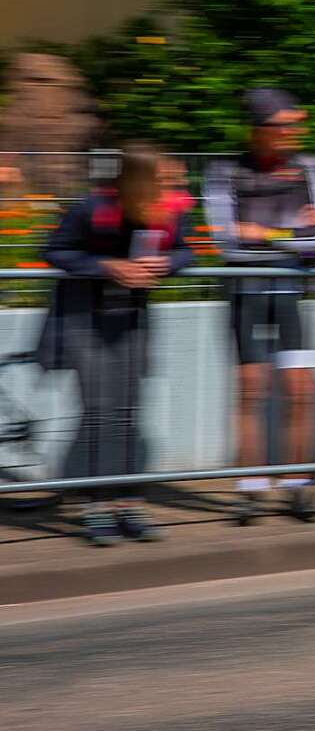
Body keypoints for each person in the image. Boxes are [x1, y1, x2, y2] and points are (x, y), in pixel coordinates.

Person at [204, 89, 315, 520]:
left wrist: (262, 231)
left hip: (291, 294)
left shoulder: (313, 168)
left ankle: (298, 485)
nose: (292, 133)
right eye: (283, 125)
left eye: (295, 124)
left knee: (299, 391)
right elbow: (222, 238)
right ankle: (251, 487)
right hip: (244, 291)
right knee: (251, 390)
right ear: (259, 129)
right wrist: (294, 231)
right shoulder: (224, 170)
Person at [41, 142, 194, 546]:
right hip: (83, 319)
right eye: (163, 180)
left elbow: (185, 251)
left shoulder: (165, 214)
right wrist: (105, 265)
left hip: (131, 318)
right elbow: (54, 251)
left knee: (128, 411)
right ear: (140, 179)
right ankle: (95, 507)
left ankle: (127, 503)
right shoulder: (91, 208)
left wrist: (167, 264)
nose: (172, 187)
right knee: (98, 413)